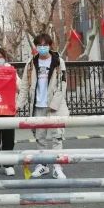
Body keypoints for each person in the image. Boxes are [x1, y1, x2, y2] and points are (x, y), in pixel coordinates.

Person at [17, 33, 69, 179]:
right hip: (37, 106)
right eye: (39, 45)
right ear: (36, 47)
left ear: (50, 46)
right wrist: (18, 105)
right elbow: (24, 86)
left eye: (45, 45)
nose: (42, 48)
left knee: (57, 137)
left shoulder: (58, 62)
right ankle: (43, 165)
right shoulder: (31, 63)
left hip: (55, 107)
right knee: (40, 137)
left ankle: (57, 167)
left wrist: (54, 104)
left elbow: (62, 84)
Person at [0, 47, 20, 177]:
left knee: (8, 139)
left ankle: (8, 165)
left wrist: (12, 77)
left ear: (5, 58)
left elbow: (19, 87)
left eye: (1, 57)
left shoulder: (11, 70)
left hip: (7, 110)